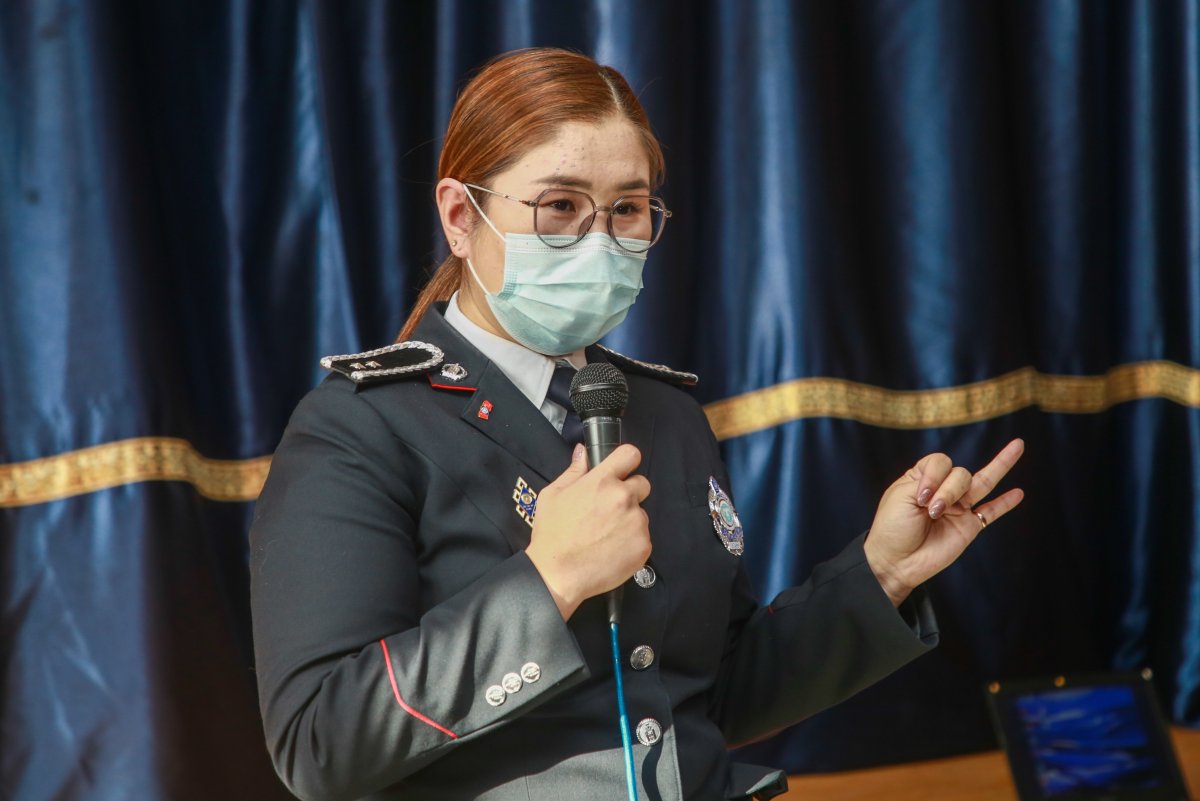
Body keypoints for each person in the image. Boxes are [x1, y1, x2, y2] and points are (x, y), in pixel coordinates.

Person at [249, 47, 1024, 801]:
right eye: (559, 206)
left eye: (626, 209)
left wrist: (883, 574)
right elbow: (318, 744)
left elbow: (707, 695)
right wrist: (549, 581)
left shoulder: (664, 412)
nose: (599, 240)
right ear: (460, 215)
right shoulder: (359, 428)